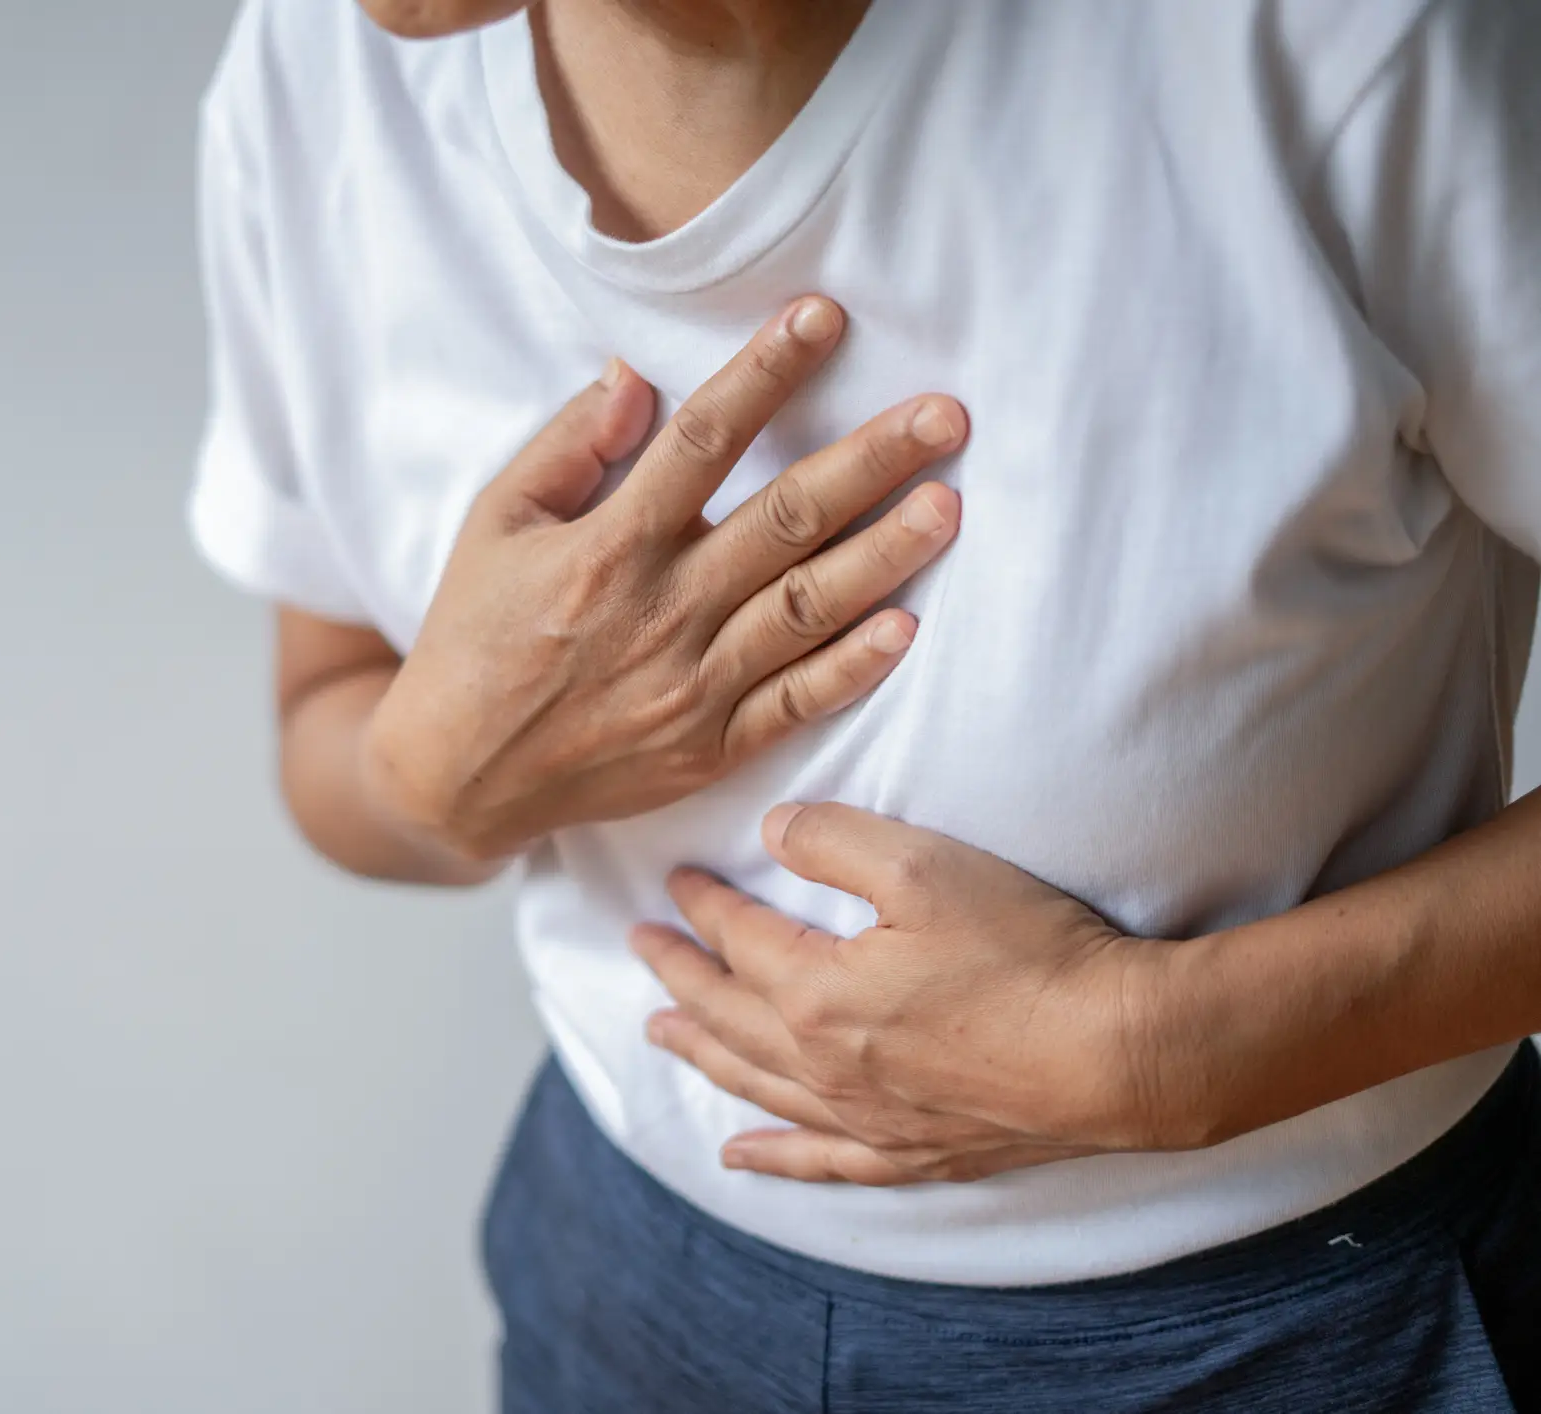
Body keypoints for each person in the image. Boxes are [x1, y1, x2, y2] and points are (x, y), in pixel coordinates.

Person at [186, 0, 1541, 1406]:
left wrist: (1170, 1049)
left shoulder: (1354, 45)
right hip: (629, 1289)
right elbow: (327, 709)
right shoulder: (317, 68)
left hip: (1302, 1326)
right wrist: (440, 775)